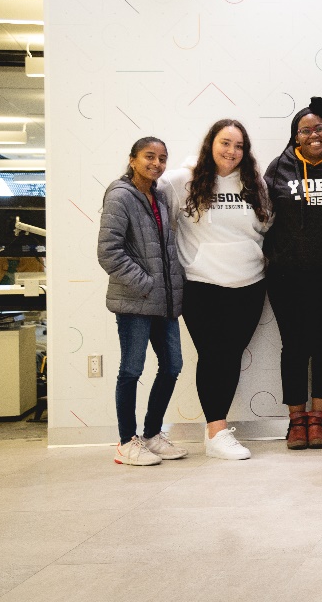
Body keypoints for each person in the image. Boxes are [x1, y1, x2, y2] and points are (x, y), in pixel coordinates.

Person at [162, 119, 270, 460]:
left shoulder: (254, 182)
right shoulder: (184, 181)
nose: (232, 152)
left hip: (249, 284)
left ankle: (218, 434)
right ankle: (216, 430)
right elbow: (148, 198)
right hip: (202, 285)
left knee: (231, 356)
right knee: (213, 356)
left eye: (239, 146)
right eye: (225, 143)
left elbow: (266, 225)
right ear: (211, 144)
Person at [264, 97, 322, 450]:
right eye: (306, 130)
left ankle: (318, 419)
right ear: (295, 136)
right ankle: (296, 421)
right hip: (287, 277)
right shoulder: (278, 168)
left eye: (320, 128)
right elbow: (264, 219)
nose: (314, 134)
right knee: (295, 348)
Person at [97, 136, 187, 466]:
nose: (157, 163)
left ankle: (151, 434)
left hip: (164, 303)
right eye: (149, 156)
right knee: (132, 370)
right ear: (133, 159)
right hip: (135, 302)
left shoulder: (160, 195)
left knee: (173, 365)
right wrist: (146, 284)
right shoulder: (120, 196)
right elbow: (108, 252)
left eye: (162, 158)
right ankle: (125, 442)